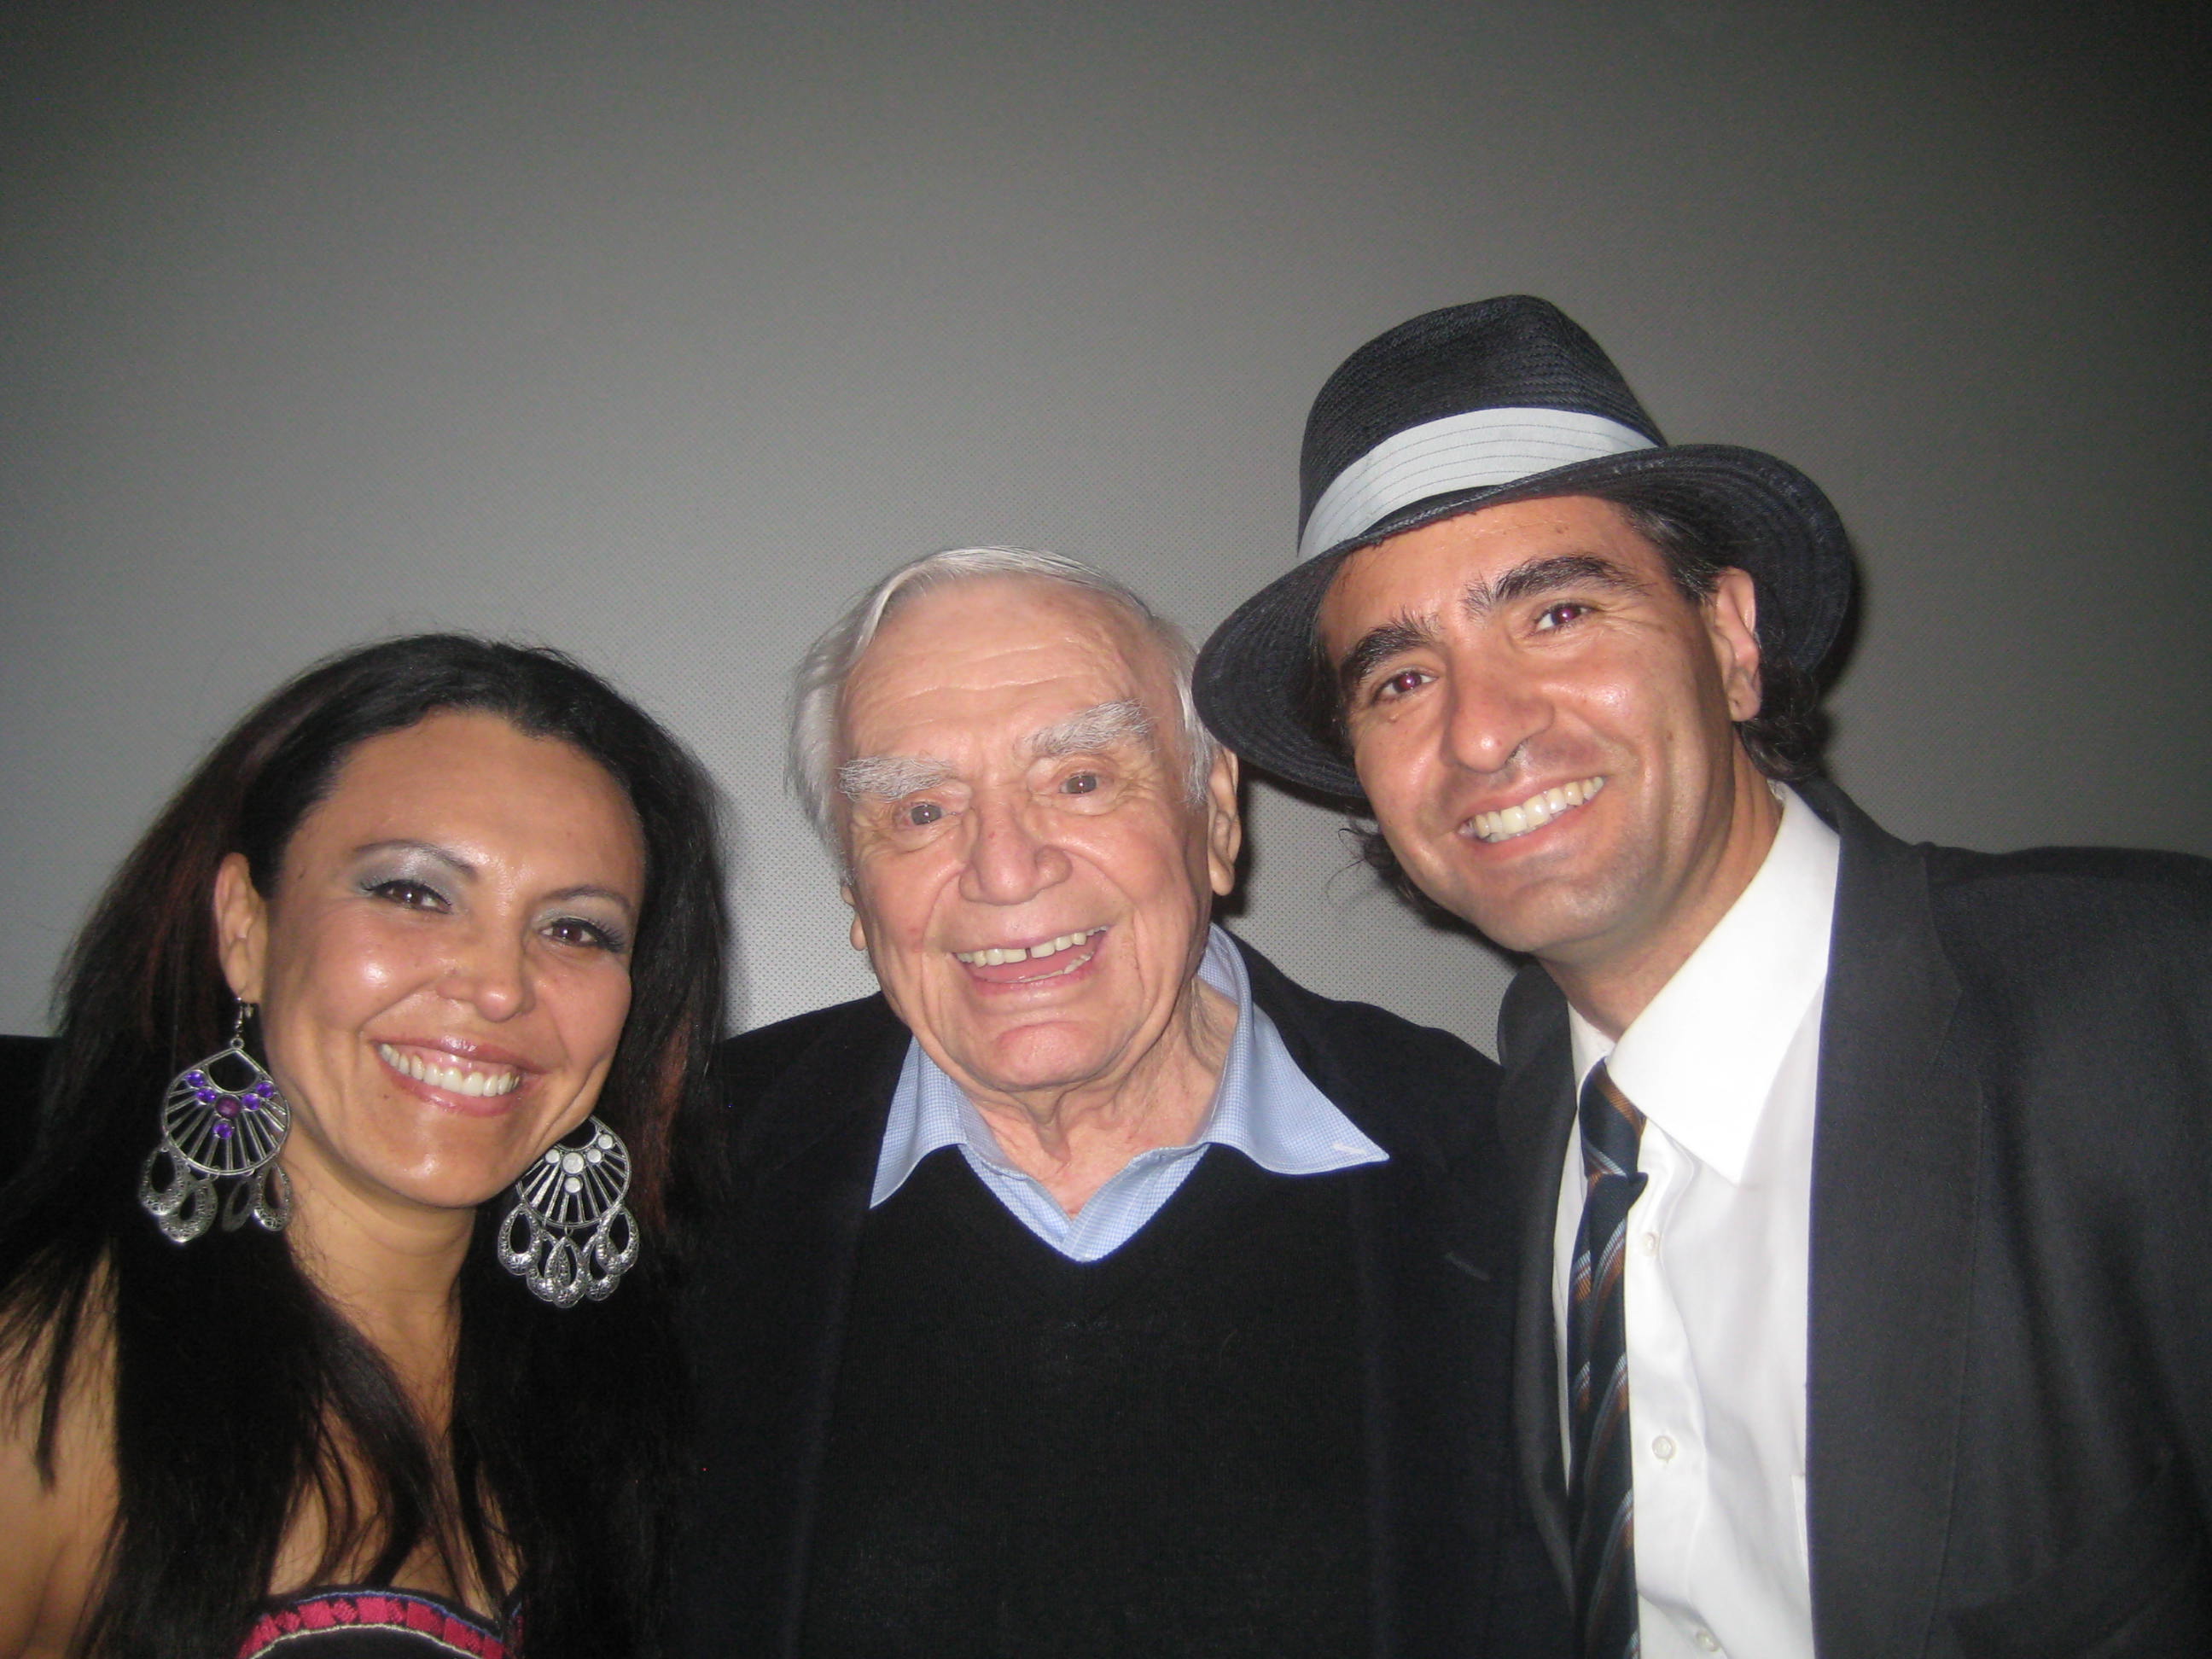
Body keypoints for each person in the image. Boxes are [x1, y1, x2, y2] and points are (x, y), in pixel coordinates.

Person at [1192, 296, 2212, 1658]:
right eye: (1398, 680)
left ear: (1729, 640)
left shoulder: (2150, 1009)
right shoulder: (1519, 1104)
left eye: (1556, 610)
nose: (1483, 731)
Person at [672, 546, 1569, 1658]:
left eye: (1080, 781)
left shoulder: (1502, 1162)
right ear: (856, 895)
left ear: (1218, 817)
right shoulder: (686, 1176)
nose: (1004, 868)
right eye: (917, 811)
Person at [0, 635, 728, 1659]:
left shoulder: (642, 1371)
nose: (498, 986)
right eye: (412, 893)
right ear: (245, 931)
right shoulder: (49, 1389)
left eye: (574, 929)